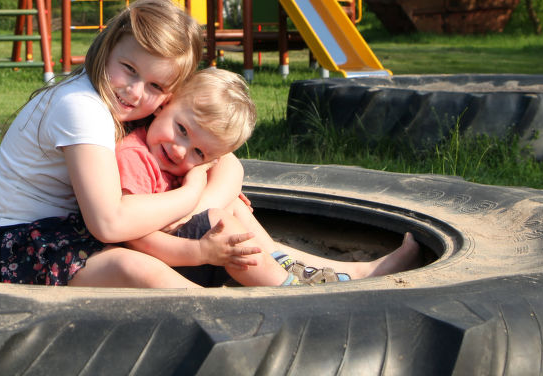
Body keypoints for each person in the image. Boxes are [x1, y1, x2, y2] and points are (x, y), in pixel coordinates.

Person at [0, 0, 256, 288]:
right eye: (129, 69)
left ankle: (280, 270)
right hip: (18, 242)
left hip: (71, 230)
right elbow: (109, 224)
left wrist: (193, 209)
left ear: (168, 97)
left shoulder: (131, 105)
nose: (135, 91)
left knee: (230, 208)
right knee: (134, 267)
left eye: (155, 85)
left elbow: (228, 163)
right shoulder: (82, 106)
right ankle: (215, 312)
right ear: (107, 47)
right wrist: (190, 193)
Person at [116, 67, 422, 286]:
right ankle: (286, 287)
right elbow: (133, 236)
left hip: (187, 254)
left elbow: (228, 168)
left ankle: (312, 269)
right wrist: (200, 249)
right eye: (181, 129)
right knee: (218, 221)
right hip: (168, 261)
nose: (180, 150)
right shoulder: (136, 157)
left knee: (232, 206)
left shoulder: (171, 155)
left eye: (199, 152)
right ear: (164, 106)